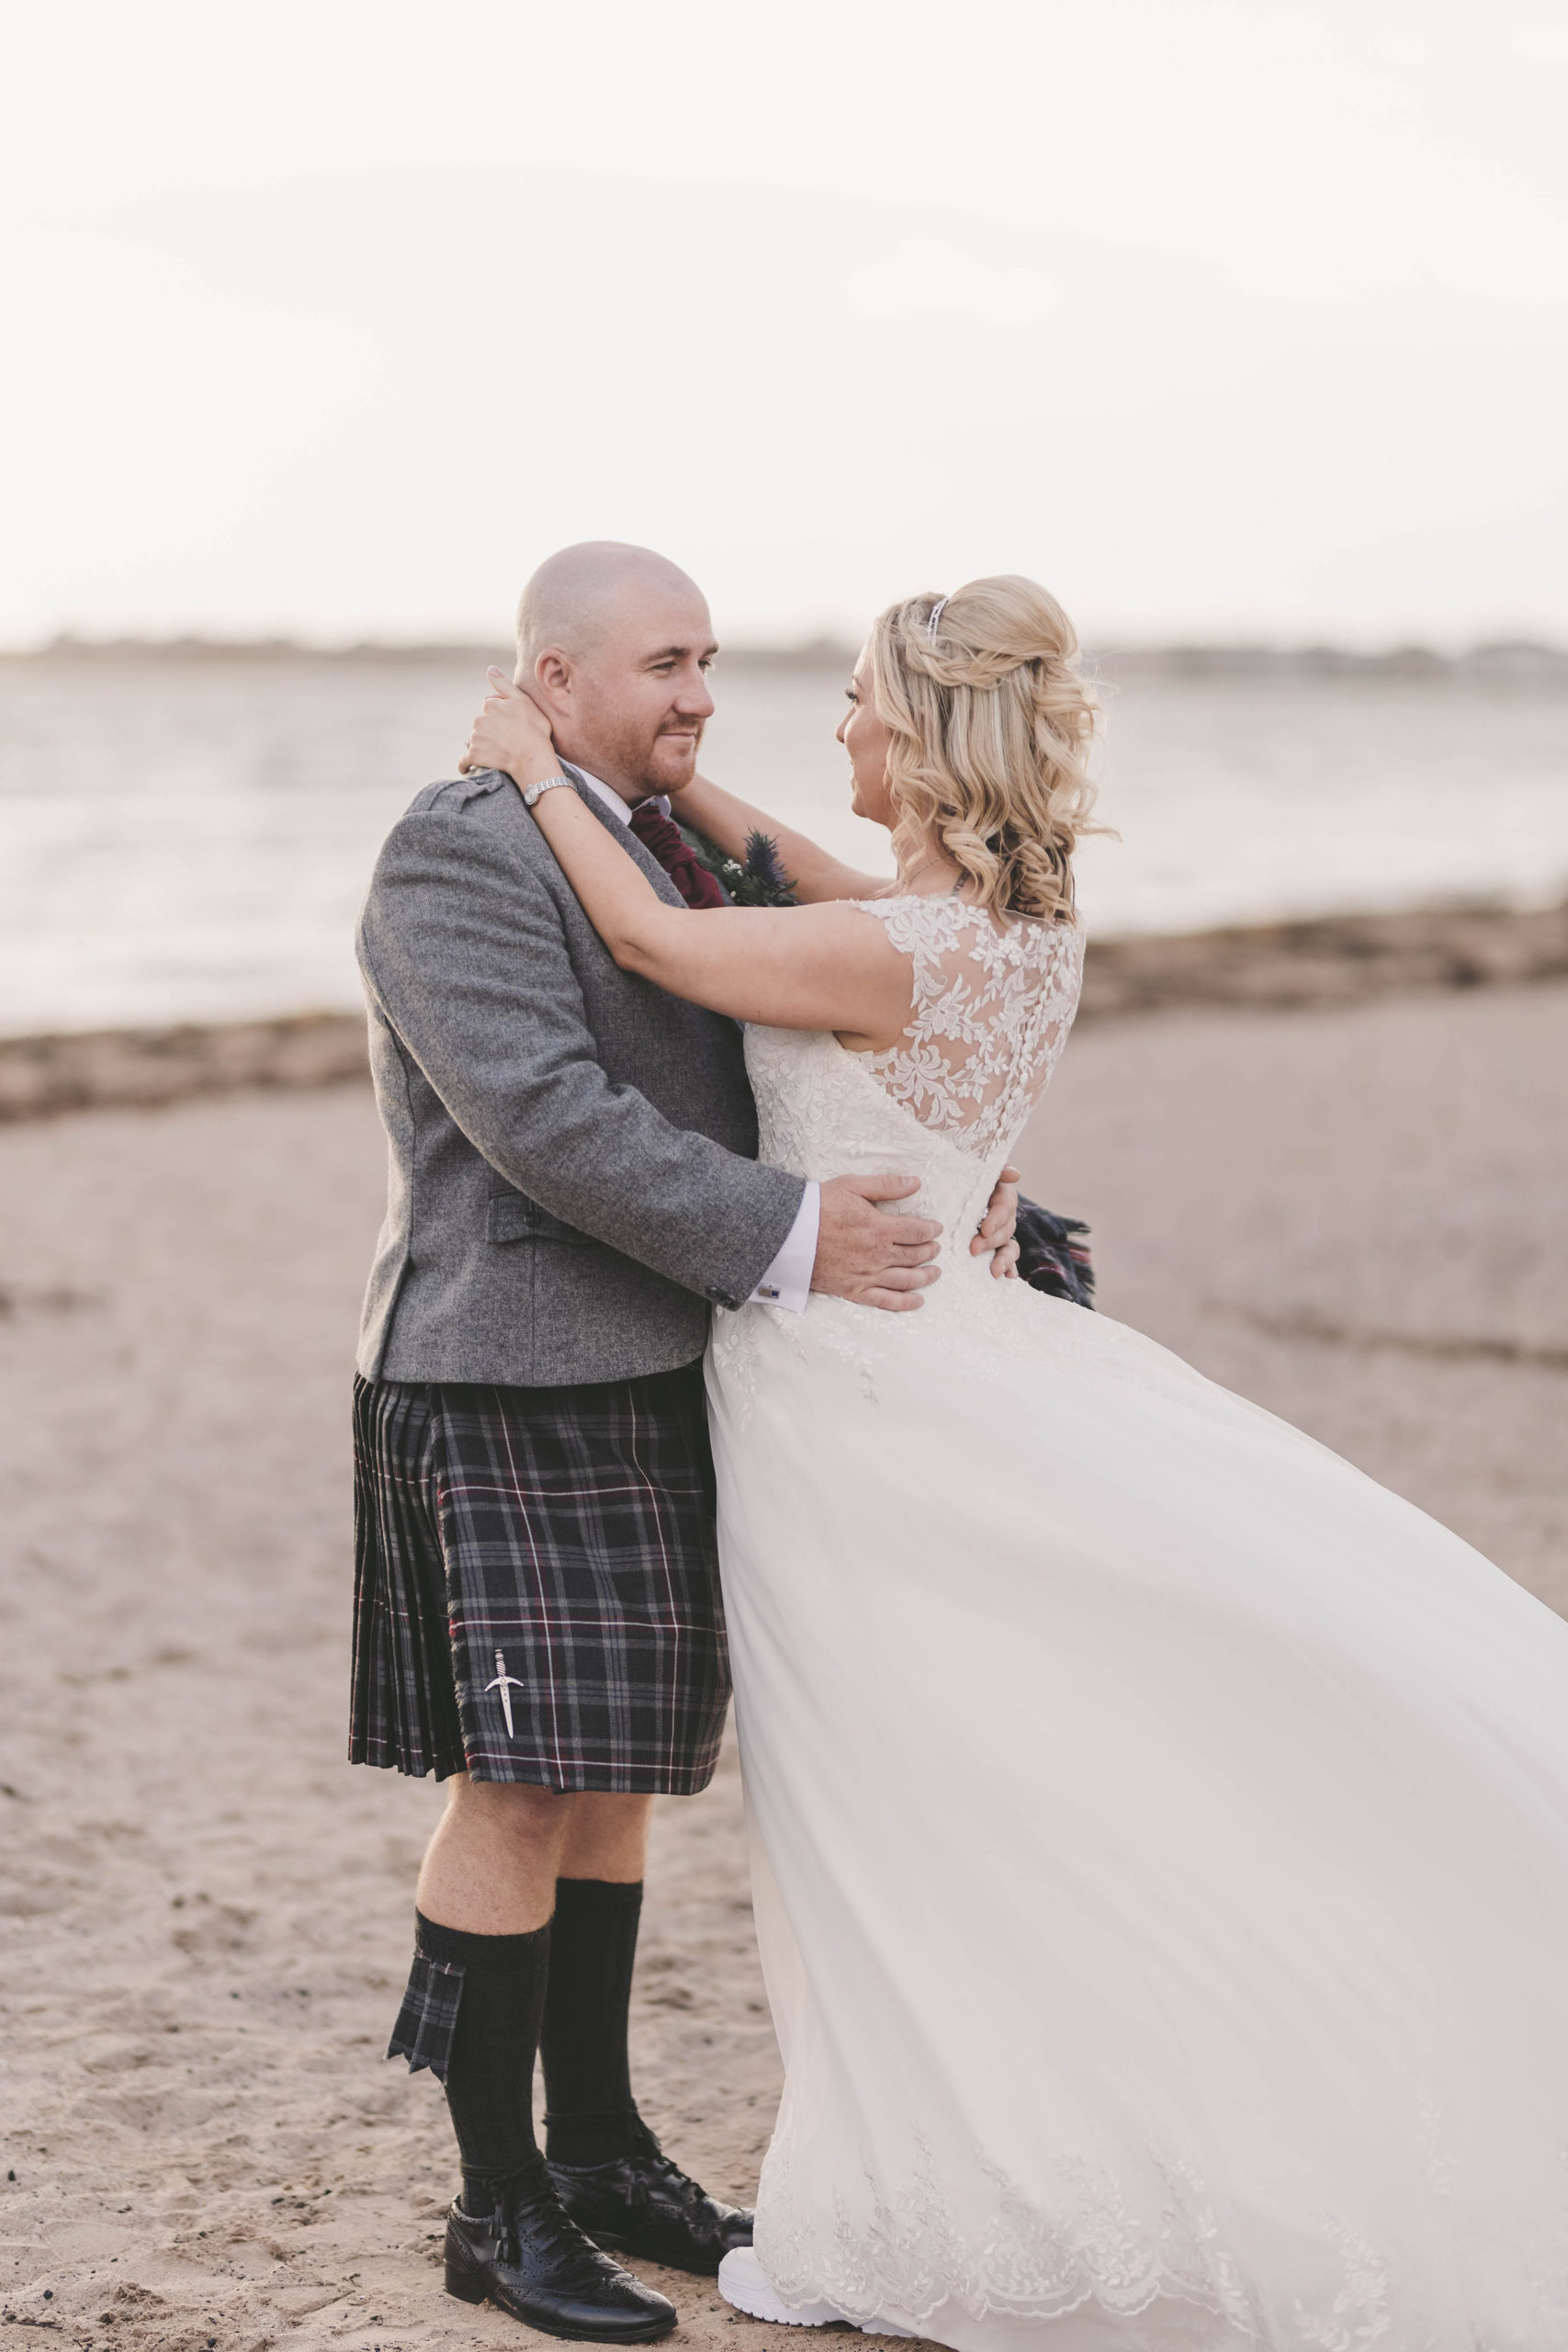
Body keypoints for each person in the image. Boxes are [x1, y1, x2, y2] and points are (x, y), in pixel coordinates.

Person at [463, 571, 1568, 2352]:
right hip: (930, 1366)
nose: (825, 732)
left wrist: (532, 771)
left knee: (904, 1806)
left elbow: (672, 945)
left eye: (852, 706)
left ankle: (966, 2189)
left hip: (860, 1413)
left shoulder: (901, 943)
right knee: (963, 1789)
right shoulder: (991, 919)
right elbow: (783, 877)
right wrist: (669, 796)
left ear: (921, 731)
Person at [350, 542, 1028, 2341]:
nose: (698, 694)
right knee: (514, 1783)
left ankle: (598, 2153)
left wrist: (969, 1176)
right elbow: (548, 1122)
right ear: (551, 677)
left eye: (709, 659)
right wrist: (798, 1237)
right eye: (662, 662)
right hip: (507, 1369)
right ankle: (495, 2209)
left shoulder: (667, 838)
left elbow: (806, 1026)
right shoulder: (459, 847)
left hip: (663, 1358)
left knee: (616, 1778)